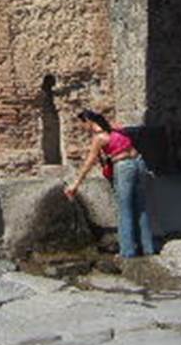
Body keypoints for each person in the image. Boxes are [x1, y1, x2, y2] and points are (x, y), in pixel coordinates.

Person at [65, 109, 155, 258]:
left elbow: (89, 162)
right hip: (139, 162)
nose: (83, 128)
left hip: (125, 166)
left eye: (83, 124)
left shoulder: (99, 138)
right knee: (141, 207)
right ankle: (148, 248)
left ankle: (127, 251)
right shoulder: (113, 129)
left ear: (88, 121)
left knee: (125, 209)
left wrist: (75, 184)